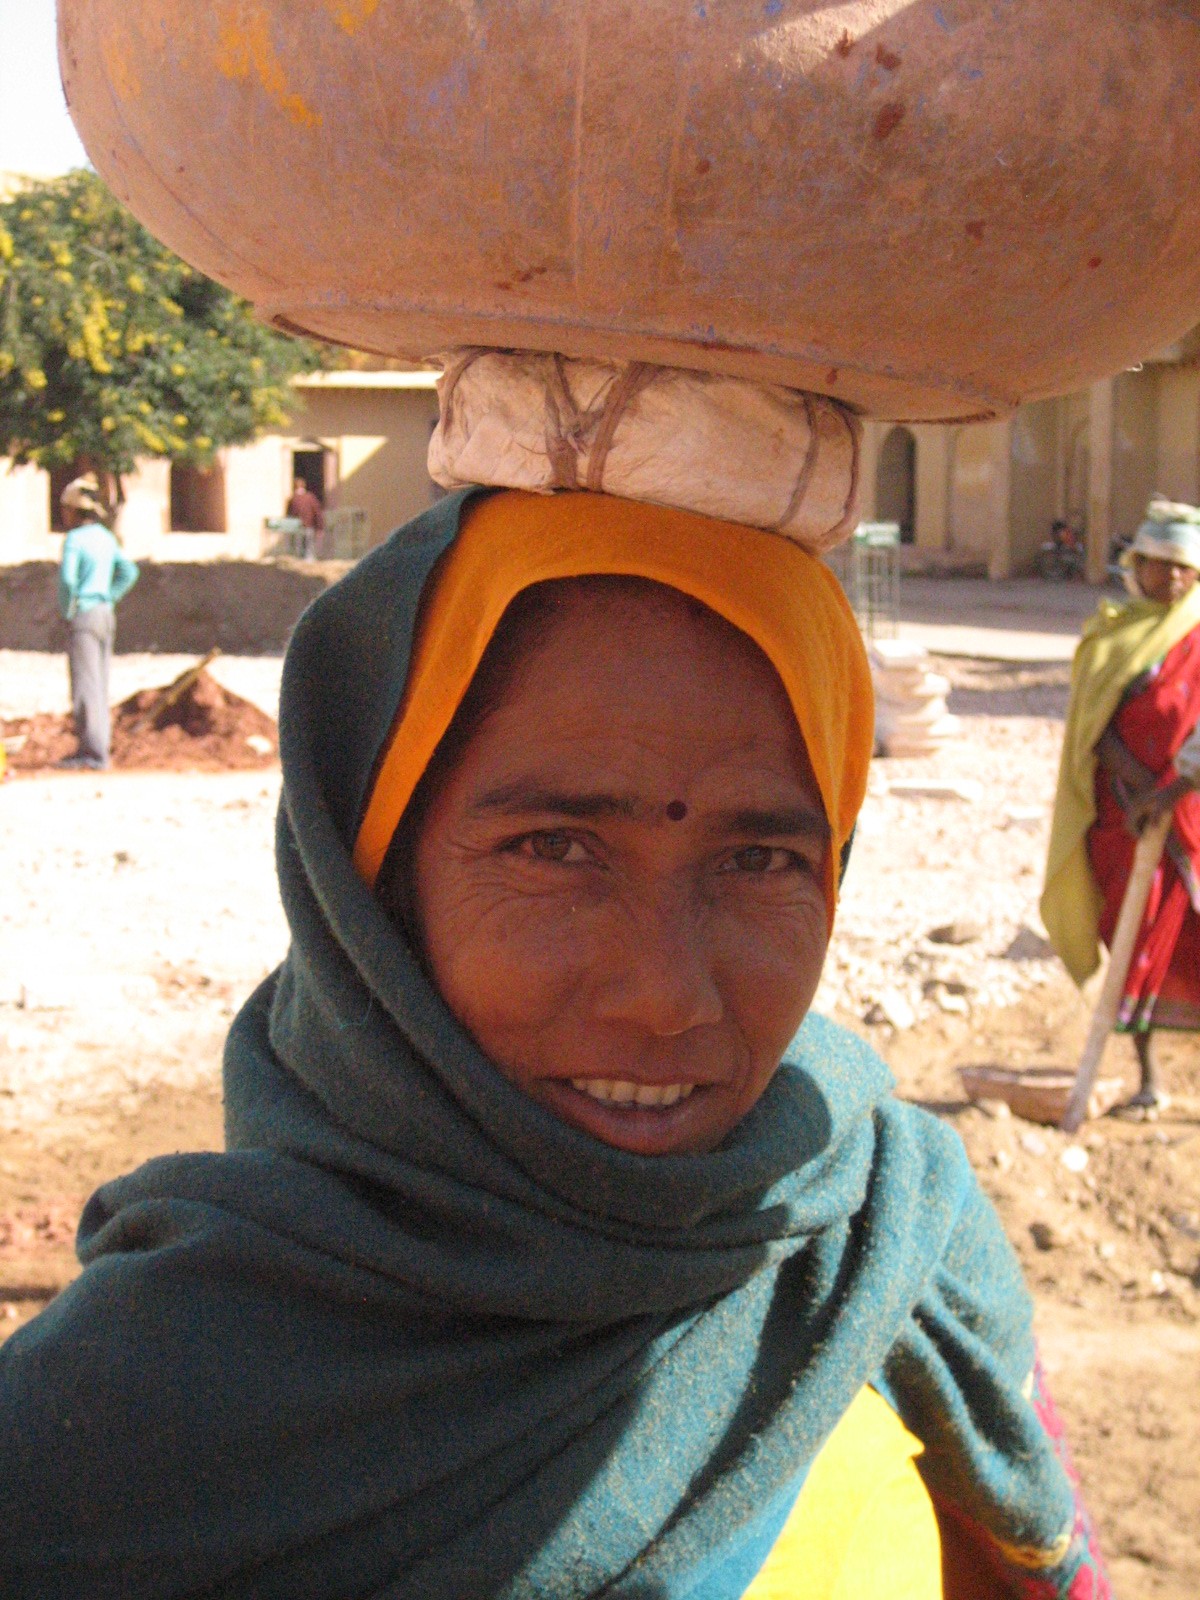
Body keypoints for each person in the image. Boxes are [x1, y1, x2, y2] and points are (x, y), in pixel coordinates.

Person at [0, 482, 1108, 1598]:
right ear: (370, 888)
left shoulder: (891, 1234)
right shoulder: (102, 1447)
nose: (667, 999)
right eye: (554, 848)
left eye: (760, 860)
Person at [1043, 496, 1200, 1110]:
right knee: (1131, 939)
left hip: (1185, 814)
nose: (1176, 578)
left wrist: (1168, 793)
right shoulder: (1110, 634)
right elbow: (1092, 722)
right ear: (1139, 565)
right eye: (1164, 565)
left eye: (1188, 568)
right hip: (1121, 818)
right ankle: (1149, 1077)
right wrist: (1134, 787)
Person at [55, 474, 140, 772]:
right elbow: (129, 572)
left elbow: (68, 580)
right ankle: (99, 748)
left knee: (85, 685)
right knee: (100, 683)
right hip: (105, 613)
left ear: (72, 510)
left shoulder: (74, 540)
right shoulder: (106, 537)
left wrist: (69, 610)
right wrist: (110, 597)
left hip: (85, 614)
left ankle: (92, 754)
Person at [286, 474, 325, 559]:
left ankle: (298, 560)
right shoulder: (310, 498)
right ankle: (308, 560)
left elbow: (289, 515)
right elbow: (317, 512)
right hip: (309, 526)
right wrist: (320, 526)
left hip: (296, 527)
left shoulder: (292, 499)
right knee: (309, 547)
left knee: (297, 547)